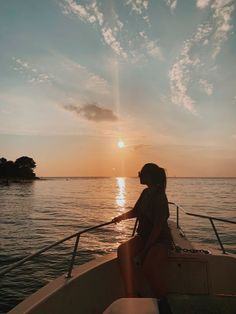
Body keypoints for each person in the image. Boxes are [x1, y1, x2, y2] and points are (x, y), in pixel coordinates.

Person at [113, 163, 172, 298]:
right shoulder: (145, 193)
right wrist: (120, 217)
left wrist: (145, 250)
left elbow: (157, 228)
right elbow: (136, 211)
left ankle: (163, 302)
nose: (139, 175)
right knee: (122, 251)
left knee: (148, 267)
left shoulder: (160, 198)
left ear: (149, 176)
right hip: (144, 236)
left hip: (160, 240)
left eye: (141, 173)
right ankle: (132, 293)